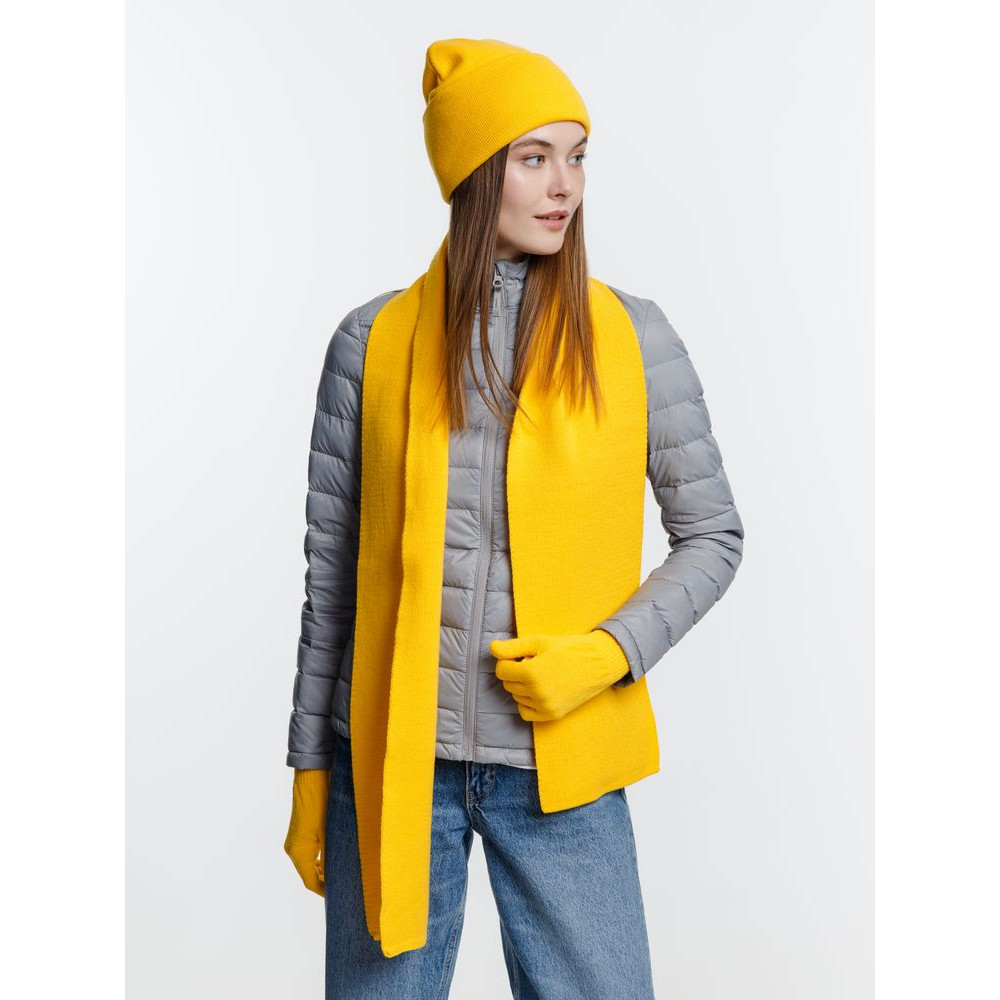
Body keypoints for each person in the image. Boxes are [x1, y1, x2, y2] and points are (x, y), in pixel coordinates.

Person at [283, 37, 745, 999]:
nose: (563, 185)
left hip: (563, 755)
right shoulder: (369, 343)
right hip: (393, 767)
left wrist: (607, 654)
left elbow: (713, 536)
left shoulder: (634, 337)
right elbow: (334, 584)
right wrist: (310, 771)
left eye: (577, 156)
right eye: (534, 157)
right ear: (472, 170)